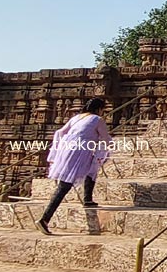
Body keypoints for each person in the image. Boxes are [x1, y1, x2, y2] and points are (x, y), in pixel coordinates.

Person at [37, 98, 112, 235]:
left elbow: (60, 132)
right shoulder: (97, 119)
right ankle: (44, 219)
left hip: (68, 150)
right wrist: (108, 148)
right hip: (79, 153)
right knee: (64, 186)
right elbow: (106, 137)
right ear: (99, 109)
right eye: (103, 109)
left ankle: (87, 199)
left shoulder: (77, 117)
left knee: (92, 169)